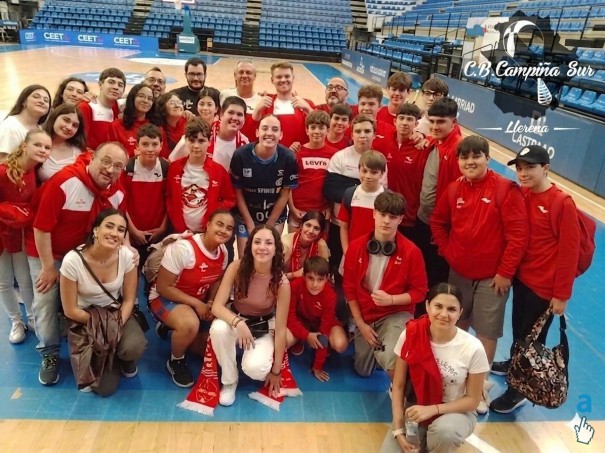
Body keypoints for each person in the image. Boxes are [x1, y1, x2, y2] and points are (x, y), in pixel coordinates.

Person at [430, 135, 528, 413]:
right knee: (456, 325)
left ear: (488, 158)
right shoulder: (454, 189)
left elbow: (518, 236)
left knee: (486, 332)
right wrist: (449, 252)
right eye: (465, 157)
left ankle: (479, 388)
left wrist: (505, 272)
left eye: (476, 156)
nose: (470, 162)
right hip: (459, 273)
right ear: (459, 161)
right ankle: (457, 381)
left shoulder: (505, 189)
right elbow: (438, 221)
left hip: (492, 278)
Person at [26, 142, 129, 386]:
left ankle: (99, 340)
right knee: (45, 300)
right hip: (50, 251)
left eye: (118, 166)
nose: (110, 169)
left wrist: (128, 249)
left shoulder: (117, 192)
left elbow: (120, 225)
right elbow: (41, 228)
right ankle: (49, 352)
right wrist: (49, 267)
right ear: (92, 157)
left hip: (86, 254)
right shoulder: (65, 182)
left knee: (93, 296)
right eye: (106, 161)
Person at [490, 145, 581, 414]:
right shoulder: (525, 194)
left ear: (546, 168)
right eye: (519, 168)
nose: (523, 173)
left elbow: (569, 253)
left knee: (532, 338)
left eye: (530, 167)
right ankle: (515, 363)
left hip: (543, 288)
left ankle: (519, 389)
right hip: (523, 280)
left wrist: (561, 295)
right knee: (520, 330)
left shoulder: (562, 203)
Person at [380, 283, 489, 453]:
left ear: (460, 313)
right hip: (417, 407)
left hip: (456, 412)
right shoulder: (411, 333)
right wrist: (398, 429)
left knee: (445, 433)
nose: (444, 314)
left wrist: (433, 409)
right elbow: (398, 385)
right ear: (427, 306)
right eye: (438, 306)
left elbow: (473, 401)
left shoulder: (473, 348)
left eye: (451, 309)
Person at [60, 209, 147, 396]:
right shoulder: (72, 261)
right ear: (95, 230)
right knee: (104, 388)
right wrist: (103, 325)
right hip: (84, 316)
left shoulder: (127, 256)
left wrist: (115, 325)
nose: (115, 233)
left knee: (134, 346)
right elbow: (70, 310)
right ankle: (108, 355)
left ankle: (125, 358)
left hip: (114, 312)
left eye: (121, 230)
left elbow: (129, 299)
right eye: (109, 226)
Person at [343, 191, 427, 380]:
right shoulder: (356, 247)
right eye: (382, 214)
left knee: (389, 357)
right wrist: (361, 324)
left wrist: (391, 300)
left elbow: (420, 292)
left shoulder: (412, 252)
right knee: (363, 370)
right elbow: (349, 290)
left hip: (395, 314)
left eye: (393, 217)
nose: (386, 221)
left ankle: (401, 391)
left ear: (401, 219)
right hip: (366, 317)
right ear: (374, 213)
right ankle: (382, 349)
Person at [150, 210, 235, 388]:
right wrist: (197, 304)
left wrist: (211, 303)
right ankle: (176, 360)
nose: (224, 230)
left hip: (198, 302)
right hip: (165, 298)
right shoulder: (184, 249)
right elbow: (163, 287)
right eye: (219, 224)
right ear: (208, 224)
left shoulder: (223, 252)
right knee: (189, 325)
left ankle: (170, 328)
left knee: (212, 344)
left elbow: (217, 280)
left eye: (229, 228)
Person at [209, 224, 290, 406]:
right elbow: (217, 307)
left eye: (268, 243)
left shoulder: (282, 282)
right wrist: (238, 323)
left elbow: (280, 329)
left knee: (255, 370)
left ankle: (249, 356)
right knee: (218, 329)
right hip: (236, 319)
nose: (262, 247)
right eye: (257, 242)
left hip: (262, 326)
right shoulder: (236, 267)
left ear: (276, 249)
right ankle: (229, 381)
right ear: (250, 245)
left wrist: (276, 371)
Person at [0, 130, 51, 343]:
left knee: (25, 279)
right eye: (38, 145)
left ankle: (32, 318)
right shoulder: (3, 171)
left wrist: (21, 215)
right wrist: (11, 211)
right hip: (2, 233)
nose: (43, 150)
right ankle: (16, 321)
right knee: (3, 281)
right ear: (24, 146)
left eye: (47, 147)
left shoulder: (35, 172)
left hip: (21, 232)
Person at [230, 114, 298, 254]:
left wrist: (269, 225)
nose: (269, 133)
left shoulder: (288, 157)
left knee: (268, 256)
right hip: (246, 215)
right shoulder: (241, 155)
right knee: (245, 258)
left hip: (274, 216)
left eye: (275, 129)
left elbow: (284, 194)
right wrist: (250, 225)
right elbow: (238, 192)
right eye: (265, 128)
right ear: (257, 132)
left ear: (281, 135)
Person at [415, 98, 462, 291]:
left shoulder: (458, 150)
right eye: (432, 121)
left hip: (441, 227)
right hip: (423, 219)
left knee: (436, 277)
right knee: (421, 270)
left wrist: (446, 229)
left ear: (454, 122)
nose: (434, 126)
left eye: (441, 122)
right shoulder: (433, 142)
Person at [166, 117, 235, 234]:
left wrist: (214, 213)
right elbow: (168, 196)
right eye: (192, 140)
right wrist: (175, 220)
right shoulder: (174, 168)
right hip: (179, 231)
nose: (196, 146)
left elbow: (230, 199)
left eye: (201, 141)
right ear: (185, 140)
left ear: (209, 141)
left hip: (208, 233)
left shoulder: (218, 170)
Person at [286, 256, 347, 382]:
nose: (315, 284)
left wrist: (317, 366)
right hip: (303, 321)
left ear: (327, 278)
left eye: (320, 279)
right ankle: (298, 341)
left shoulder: (330, 295)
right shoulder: (294, 286)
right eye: (311, 278)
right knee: (284, 339)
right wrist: (307, 335)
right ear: (304, 276)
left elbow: (324, 330)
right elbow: (290, 318)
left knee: (340, 344)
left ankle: (325, 347)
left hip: (322, 323)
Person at [121, 124, 169, 265]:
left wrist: (163, 227)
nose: (150, 149)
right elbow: (122, 202)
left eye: (154, 144)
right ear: (137, 146)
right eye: (145, 144)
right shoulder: (128, 168)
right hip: (133, 234)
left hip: (158, 234)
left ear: (161, 145)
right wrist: (133, 230)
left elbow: (170, 200)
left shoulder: (166, 168)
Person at [383, 103, 430, 244]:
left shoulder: (423, 148)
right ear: (394, 121)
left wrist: (426, 138)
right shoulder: (384, 141)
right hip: (385, 213)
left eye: (409, 119)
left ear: (416, 124)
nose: (404, 123)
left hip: (409, 217)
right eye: (401, 118)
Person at [288, 110, 337, 231]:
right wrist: (292, 209)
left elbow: (335, 185)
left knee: (321, 244)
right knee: (293, 243)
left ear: (328, 130)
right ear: (307, 130)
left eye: (321, 128)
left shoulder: (335, 154)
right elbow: (288, 184)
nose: (316, 131)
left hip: (322, 213)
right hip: (298, 211)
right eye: (313, 127)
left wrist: (330, 208)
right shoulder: (296, 152)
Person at [249, 61, 315, 148]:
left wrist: (308, 108)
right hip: (271, 155)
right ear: (272, 80)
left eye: (287, 76)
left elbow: (321, 127)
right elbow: (252, 133)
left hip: (298, 155)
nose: (283, 80)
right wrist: (257, 109)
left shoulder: (307, 104)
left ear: (293, 78)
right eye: (279, 77)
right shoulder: (265, 105)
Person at [338, 150, 387, 255]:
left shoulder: (387, 197)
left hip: (377, 254)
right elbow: (344, 227)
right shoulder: (350, 194)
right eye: (364, 171)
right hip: (353, 252)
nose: (368, 176)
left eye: (374, 172)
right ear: (359, 170)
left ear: (382, 173)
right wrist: (347, 252)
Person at [107, 84, 162, 158]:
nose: (145, 101)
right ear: (132, 98)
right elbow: (111, 154)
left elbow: (162, 156)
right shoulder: (116, 126)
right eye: (141, 96)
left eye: (149, 98)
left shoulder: (157, 127)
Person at [78, 68, 126, 150]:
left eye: (120, 85)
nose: (116, 87)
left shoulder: (119, 107)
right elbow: (79, 141)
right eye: (111, 82)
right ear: (100, 85)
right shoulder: (86, 107)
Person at [39, 104, 87, 182]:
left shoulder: (78, 153)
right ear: (55, 117)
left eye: (75, 125)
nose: (69, 127)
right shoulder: (37, 143)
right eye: (66, 120)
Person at [0, 85, 51, 159]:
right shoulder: (10, 126)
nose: (42, 101)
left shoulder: (40, 129)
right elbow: (2, 161)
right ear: (23, 102)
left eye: (46, 100)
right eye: (36, 97)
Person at [282, 210, 330, 281]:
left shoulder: (321, 246)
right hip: (284, 283)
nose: (311, 231)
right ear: (301, 226)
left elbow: (323, 275)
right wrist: (294, 274)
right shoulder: (286, 242)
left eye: (316, 228)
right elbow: (275, 276)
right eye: (308, 225)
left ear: (320, 233)